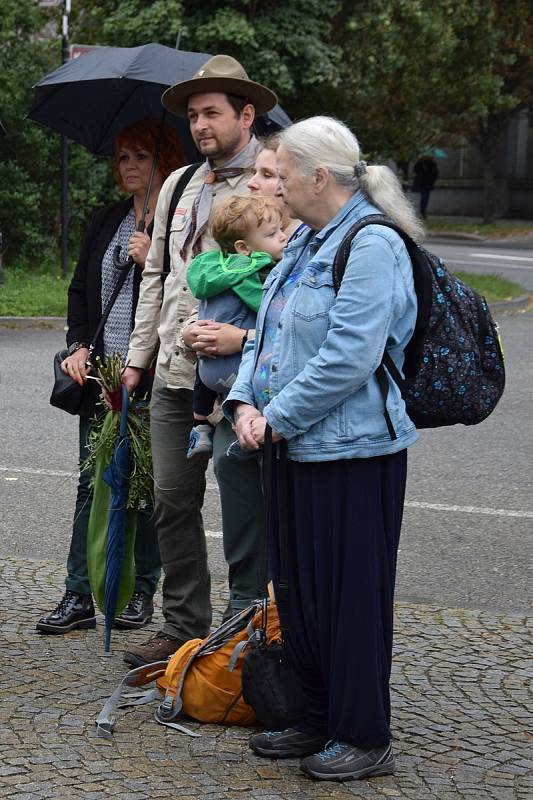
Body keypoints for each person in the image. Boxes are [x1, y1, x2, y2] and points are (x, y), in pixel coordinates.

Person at [225, 116, 424, 782]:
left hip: (357, 454)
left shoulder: (371, 244)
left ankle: (363, 734)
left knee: (351, 597)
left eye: (280, 174)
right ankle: (313, 716)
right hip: (293, 449)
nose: (271, 185)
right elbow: (265, 332)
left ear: (317, 176)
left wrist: (275, 417)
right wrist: (245, 403)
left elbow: (350, 356)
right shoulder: (307, 239)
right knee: (302, 595)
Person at [119, 55, 279, 667]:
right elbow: (156, 275)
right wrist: (138, 358)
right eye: (192, 115)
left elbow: (288, 285)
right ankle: (183, 625)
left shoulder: (270, 183)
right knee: (170, 500)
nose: (201, 125)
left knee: (245, 513)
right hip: (174, 376)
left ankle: (247, 632)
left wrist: (244, 342)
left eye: (212, 112)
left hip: (244, 384)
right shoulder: (179, 183)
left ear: (246, 114)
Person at [36, 118, 185, 635]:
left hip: (154, 375)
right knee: (89, 484)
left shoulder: (180, 226)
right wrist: (77, 347)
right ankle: (78, 594)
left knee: (144, 488)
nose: (129, 166)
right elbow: (81, 292)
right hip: (102, 373)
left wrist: (156, 263)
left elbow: (191, 300)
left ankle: (141, 590)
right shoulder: (107, 220)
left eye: (140, 156)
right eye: (123, 157)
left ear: (164, 161)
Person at [186, 194, 287, 458]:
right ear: (243, 247)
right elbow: (268, 308)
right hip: (237, 365)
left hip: (207, 365)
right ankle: (244, 430)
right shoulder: (253, 272)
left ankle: (200, 424)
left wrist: (190, 330)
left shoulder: (211, 266)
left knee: (203, 369)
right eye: (273, 233)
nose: (283, 237)